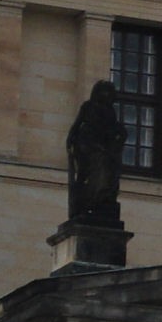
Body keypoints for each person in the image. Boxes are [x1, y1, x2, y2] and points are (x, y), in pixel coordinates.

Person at [66, 80, 127, 222]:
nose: (108, 95)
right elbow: (77, 125)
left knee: (109, 168)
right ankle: (88, 200)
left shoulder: (110, 111)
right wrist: (71, 139)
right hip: (87, 143)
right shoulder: (88, 106)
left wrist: (120, 134)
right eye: (106, 92)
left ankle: (102, 199)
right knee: (96, 167)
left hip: (102, 146)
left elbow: (113, 128)